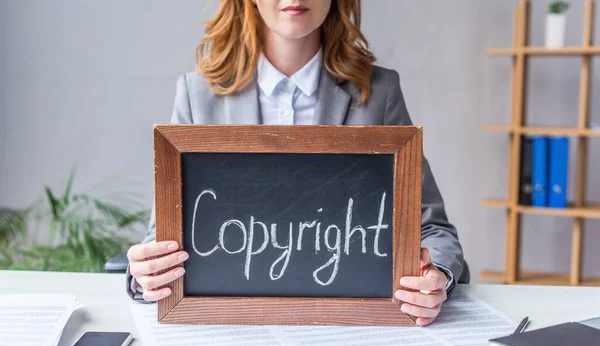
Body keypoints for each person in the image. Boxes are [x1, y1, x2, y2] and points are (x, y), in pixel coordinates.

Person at [126, 0, 470, 326]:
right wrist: (147, 273)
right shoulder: (197, 95)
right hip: (235, 330)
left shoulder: (378, 92)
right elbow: (162, 237)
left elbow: (433, 229)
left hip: (347, 331)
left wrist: (436, 275)